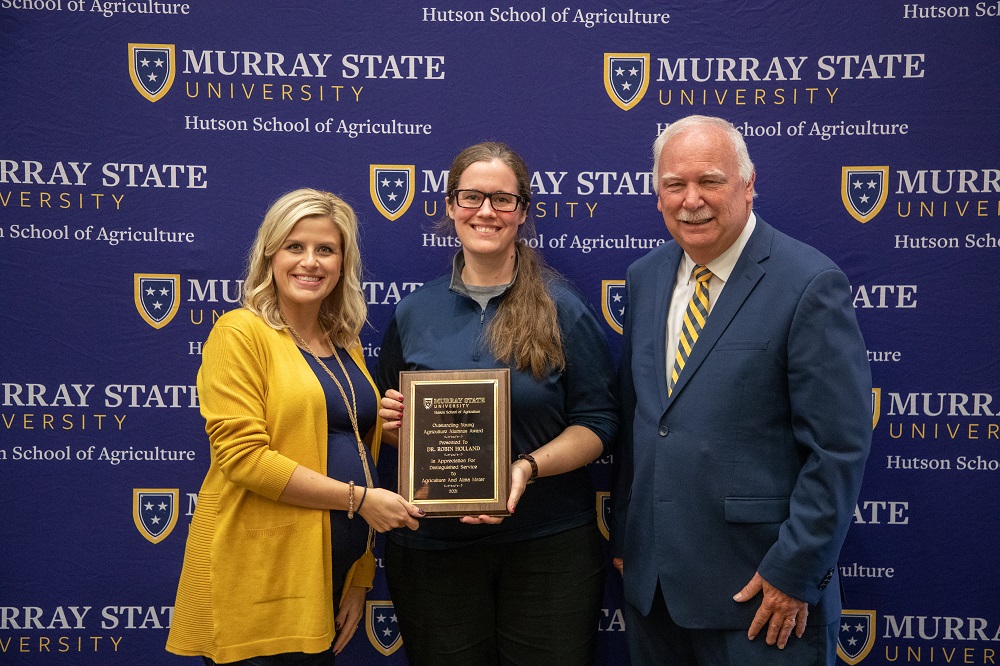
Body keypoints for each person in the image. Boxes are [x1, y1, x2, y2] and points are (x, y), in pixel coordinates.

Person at [609, 115, 872, 666]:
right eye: (674, 185)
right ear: (657, 195)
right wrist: (629, 540)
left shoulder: (808, 283)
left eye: (710, 181)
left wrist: (795, 570)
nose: (691, 200)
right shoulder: (645, 276)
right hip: (655, 593)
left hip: (761, 596)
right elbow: (642, 419)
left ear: (749, 185)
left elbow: (837, 449)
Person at [375, 142, 618, 665]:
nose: (486, 211)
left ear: (522, 211)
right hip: (433, 551)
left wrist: (525, 467)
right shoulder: (413, 311)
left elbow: (598, 422)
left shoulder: (563, 308)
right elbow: (387, 425)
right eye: (471, 197)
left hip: (549, 547)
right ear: (449, 205)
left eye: (503, 199)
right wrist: (391, 425)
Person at [166, 188, 425, 665]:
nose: (310, 262)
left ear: (343, 263)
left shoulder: (343, 343)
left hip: (325, 578)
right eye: (295, 246)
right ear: (270, 255)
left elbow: (351, 444)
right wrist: (361, 501)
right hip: (259, 576)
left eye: (325, 249)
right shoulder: (239, 333)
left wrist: (358, 576)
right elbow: (244, 459)